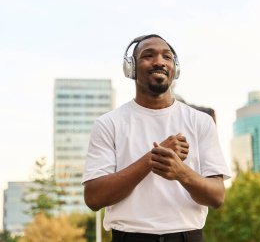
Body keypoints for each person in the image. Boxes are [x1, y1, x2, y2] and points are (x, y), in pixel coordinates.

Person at [82, 34, 230, 242]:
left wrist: (181, 172)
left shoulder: (201, 122)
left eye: (167, 57)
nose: (159, 61)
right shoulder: (109, 124)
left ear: (174, 68)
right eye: (148, 55)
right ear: (131, 68)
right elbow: (94, 198)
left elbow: (217, 197)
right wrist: (151, 160)